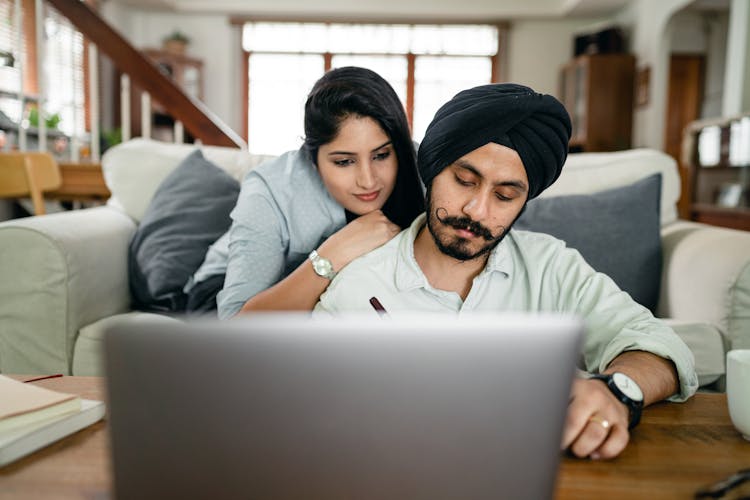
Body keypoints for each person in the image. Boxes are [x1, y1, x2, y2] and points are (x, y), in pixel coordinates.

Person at [315, 83, 699, 460]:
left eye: (504, 195)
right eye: (464, 181)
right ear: (432, 171)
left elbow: (661, 348)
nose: (477, 210)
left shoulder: (551, 266)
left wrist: (617, 391)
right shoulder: (359, 283)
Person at [184, 66, 424, 318]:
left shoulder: (419, 167)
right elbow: (238, 327)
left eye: (381, 155)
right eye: (344, 161)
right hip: (225, 293)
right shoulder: (269, 190)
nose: (367, 180)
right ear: (313, 158)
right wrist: (334, 252)